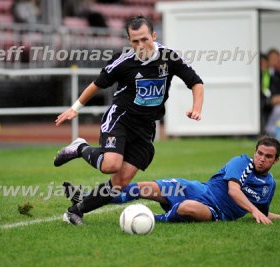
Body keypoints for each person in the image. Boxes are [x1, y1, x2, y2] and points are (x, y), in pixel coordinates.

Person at [54, 15, 204, 225]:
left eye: (144, 39)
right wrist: (75, 108)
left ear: (153, 35)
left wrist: (196, 109)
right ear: (129, 41)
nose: (140, 45)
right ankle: (80, 148)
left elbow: (196, 82)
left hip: (146, 127)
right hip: (121, 119)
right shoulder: (123, 61)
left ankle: (76, 211)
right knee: (110, 165)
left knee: (120, 182)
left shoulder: (170, 58)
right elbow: (97, 84)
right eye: (135, 41)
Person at [64, 136, 280, 224]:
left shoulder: (270, 186)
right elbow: (235, 191)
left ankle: (152, 220)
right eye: (260, 153)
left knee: (186, 208)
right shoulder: (242, 163)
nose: (261, 159)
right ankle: (87, 200)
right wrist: (253, 211)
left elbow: (261, 213)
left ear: (275, 160)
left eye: (268, 157)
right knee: (143, 188)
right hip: (196, 188)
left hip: (214, 211)